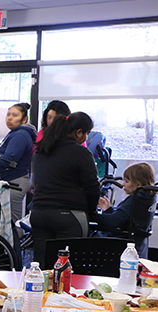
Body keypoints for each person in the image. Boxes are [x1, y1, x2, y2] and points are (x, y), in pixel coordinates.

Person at [29, 111, 99, 263]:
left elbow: (35, 182)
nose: (86, 138)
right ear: (79, 132)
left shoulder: (41, 151)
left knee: (42, 266)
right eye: (86, 133)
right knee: (68, 267)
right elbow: (92, 187)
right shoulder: (81, 153)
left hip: (39, 213)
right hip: (69, 216)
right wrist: (92, 208)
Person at [0, 102, 36, 235]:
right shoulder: (16, 133)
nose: (9, 118)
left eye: (15, 115)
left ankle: (16, 253)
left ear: (24, 119)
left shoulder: (20, 135)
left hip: (14, 182)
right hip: (13, 180)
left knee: (13, 223)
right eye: (8, 114)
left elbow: (8, 160)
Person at [94, 162, 157, 257]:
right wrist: (108, 210)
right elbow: (125, 218)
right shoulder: (148, 198)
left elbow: (115, 221)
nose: (123, 184)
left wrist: (89, 216)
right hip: (138, 244)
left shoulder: (134, 199)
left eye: (127, 181)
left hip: (119, 242)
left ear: (138, 185)